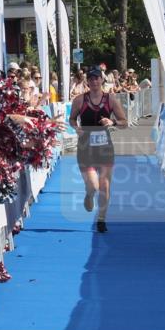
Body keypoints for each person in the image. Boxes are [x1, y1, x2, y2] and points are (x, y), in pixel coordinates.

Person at [69, 67, 128, 233]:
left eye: (97, 79)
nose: (94, 82)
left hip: (104, 147)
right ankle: (89, 195)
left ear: (102, 80)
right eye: (91, 79)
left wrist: (113, 123)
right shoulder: (80, 100)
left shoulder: (111, 99)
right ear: (87, 81)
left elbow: (124, 122)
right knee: (94, 186)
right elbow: (72, 118)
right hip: (85, 147)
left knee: (105, 185)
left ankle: (102, 219)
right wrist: (76, 128)